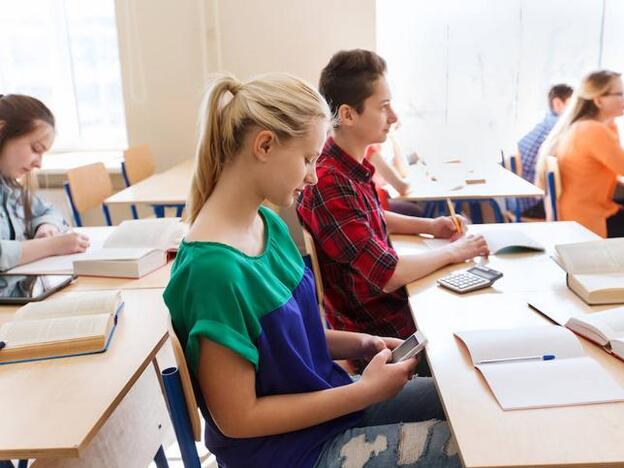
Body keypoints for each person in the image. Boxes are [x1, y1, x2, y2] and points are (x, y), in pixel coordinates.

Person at [163, 74, 460, 468]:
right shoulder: (212, 272)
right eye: (307, 159)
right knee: (472, 447)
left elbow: (284, 339)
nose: (313, 176)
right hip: (287, 453)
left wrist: (361, 343)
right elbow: (237, 419)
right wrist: (364, 393)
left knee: (458, 399)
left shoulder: (267, 225)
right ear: (265, 145)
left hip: (324, 412)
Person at [297, 49, 489, 340]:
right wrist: (455, 251)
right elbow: (388, 275)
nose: (394, 116)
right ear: (348, 114)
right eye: (384, 107)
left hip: (392, 312)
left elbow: (369, 215)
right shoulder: (330, 181)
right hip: (385, 334)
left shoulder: (346, 167)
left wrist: (430, 226)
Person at [0, 94, 89, 271]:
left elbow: (48, 209)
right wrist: (51, 246)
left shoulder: (9, 186)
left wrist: (45, 226)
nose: (39, 163)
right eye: (36, 149)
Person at [535, 70, 624, 237]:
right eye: (619, 94)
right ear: (598, 100)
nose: (623, 98)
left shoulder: (586, 126)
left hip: (575, 217)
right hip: (586, 224)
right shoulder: (592, 130)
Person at [515, 84, 573, 218]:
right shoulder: (559, 129)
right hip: (535, 202)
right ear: (558, 104)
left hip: (522, 201)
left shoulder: (545, 123)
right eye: (574, 104)